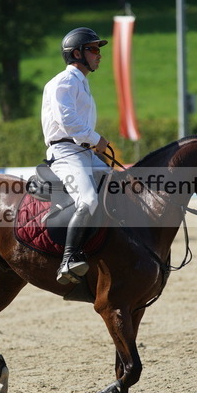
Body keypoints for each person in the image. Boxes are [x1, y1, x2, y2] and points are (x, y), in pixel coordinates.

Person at [41, 27, 112, 285]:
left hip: (83, 151)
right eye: (93, 49)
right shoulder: (64, 81)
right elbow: (68, 122)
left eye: (98, 50)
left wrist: (92, 143)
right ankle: (68, 259)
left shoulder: (81, 82)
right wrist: (96, 139)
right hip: (65, 152)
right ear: (77, 54)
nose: (99, 54)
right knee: (89, 199)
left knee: (118, 187)